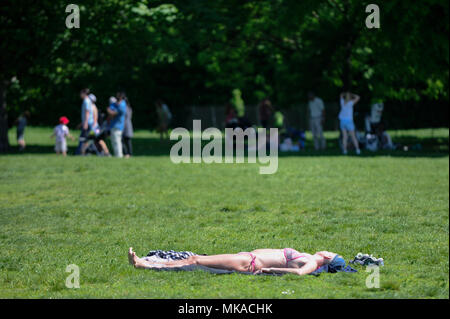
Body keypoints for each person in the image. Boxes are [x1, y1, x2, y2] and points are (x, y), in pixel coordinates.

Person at [128, 247, 346, 276]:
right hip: (246, 258)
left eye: (330, 252)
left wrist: (268, 269)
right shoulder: (309, 258)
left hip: (248, 263)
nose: (327, 250)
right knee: (196, 260)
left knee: (195, 261)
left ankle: (144, 264)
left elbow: (299, 274)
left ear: (327, 258)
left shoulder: (312, 263)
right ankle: (149, 263)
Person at [107, 92, 127, 157]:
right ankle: (117, 155)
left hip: (118, 126)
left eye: (118, 96)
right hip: (113, 125)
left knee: (117, 141)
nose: (117, 97)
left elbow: (113, 113)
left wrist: (109, 111)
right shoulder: (117, 104)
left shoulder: (122, 105)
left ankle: (119, 155)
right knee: (113, 141)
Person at [76, 88, 95, 155]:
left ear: (84, 94)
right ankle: (83, 152)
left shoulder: (86, 101)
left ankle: (80, 153)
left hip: (88, 123)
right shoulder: (88, 100)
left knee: (83, 138)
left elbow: (87, 112)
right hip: (88, 122)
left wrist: (85, 123)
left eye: (81, 93)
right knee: (86, 138)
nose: (80, 95)